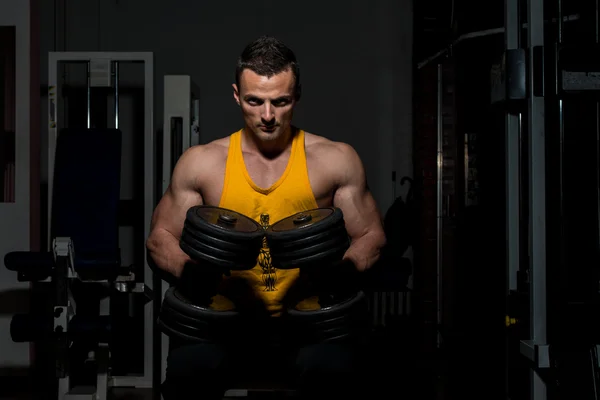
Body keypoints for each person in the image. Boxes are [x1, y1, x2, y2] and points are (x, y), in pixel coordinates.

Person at [147, 35, 387, 399]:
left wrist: (340, 273)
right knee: (188, 374)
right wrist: (192, 273)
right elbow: (159, 237)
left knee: (336, 373)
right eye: (254, 101)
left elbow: (372, 236)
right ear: (235, 95)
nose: (268, 116)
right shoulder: (202, 163)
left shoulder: (335, 159)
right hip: (225, 323)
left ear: (298, 95)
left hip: (306, 324)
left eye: (281, 102)